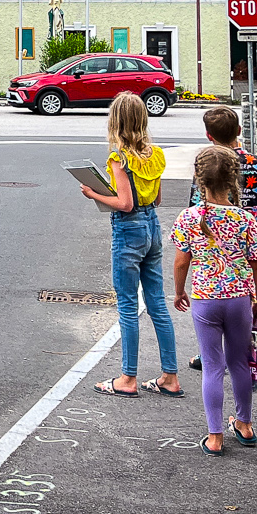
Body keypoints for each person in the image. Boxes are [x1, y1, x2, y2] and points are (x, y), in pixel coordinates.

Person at [82, 93, 183, 398]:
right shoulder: (156, 155)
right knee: (157, 304)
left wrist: (94, 193)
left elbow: (124, 204)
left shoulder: (119, 159)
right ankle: (170, 375)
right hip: (152, 225)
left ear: (116, 122)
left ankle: (128, 377)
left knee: (127, 304)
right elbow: (158, 198)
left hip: (129, 230)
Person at [172, 145, 257, 455]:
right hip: (239, 298)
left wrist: (179, 291)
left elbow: (180, 262)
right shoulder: (245, 219)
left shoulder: (189, 217)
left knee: (212, 366)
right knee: (239, 363)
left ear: (199, 180)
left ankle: (214, 437)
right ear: (233, 179)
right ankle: (244, 424)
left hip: (204, 299)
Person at [186, 106, 257, 371]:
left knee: (216, 300)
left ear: (208, 135)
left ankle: (212, 354)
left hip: (214, 248)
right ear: (239, 131)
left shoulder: (206, 169)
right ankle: (244, 355)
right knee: (248, 301)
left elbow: (196, 207)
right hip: (251, 245)